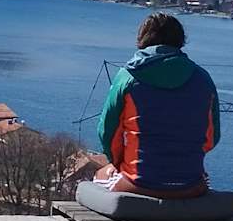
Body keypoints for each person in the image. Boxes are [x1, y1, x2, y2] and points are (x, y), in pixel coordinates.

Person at [94, 13, 220, 199]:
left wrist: (118, 163)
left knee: (98, 178)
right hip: (191, 186)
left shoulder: (128, 76)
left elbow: (108, 133)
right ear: (180, 40)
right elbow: (211, 137)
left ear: (142, 39)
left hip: (137, 184)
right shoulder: (203, 79)